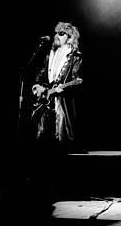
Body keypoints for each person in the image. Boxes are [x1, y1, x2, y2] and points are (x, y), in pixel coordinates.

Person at [31, 22, 83, 152]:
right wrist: (38, 85)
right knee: (43, 134)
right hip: (47, 99)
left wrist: (63, 88)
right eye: (56, 33)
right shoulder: (51, 53)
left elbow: (77, 80)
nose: (56, 35)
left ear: (70, 37)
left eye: (61, 33)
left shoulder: (75, 56)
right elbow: (43, 73)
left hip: (63, 100)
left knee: (62, 136)